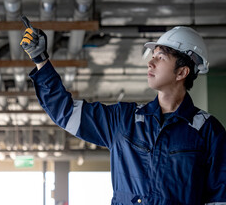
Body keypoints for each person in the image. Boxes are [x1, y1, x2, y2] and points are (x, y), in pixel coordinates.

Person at [20, 16, 226, 205]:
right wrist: (41, 60)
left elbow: (219, 198)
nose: (150, 62)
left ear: (182, 72)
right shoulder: (123, 120)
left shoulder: (209, 132)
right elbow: (64, 111)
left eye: (160, 57)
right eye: (152, 55)